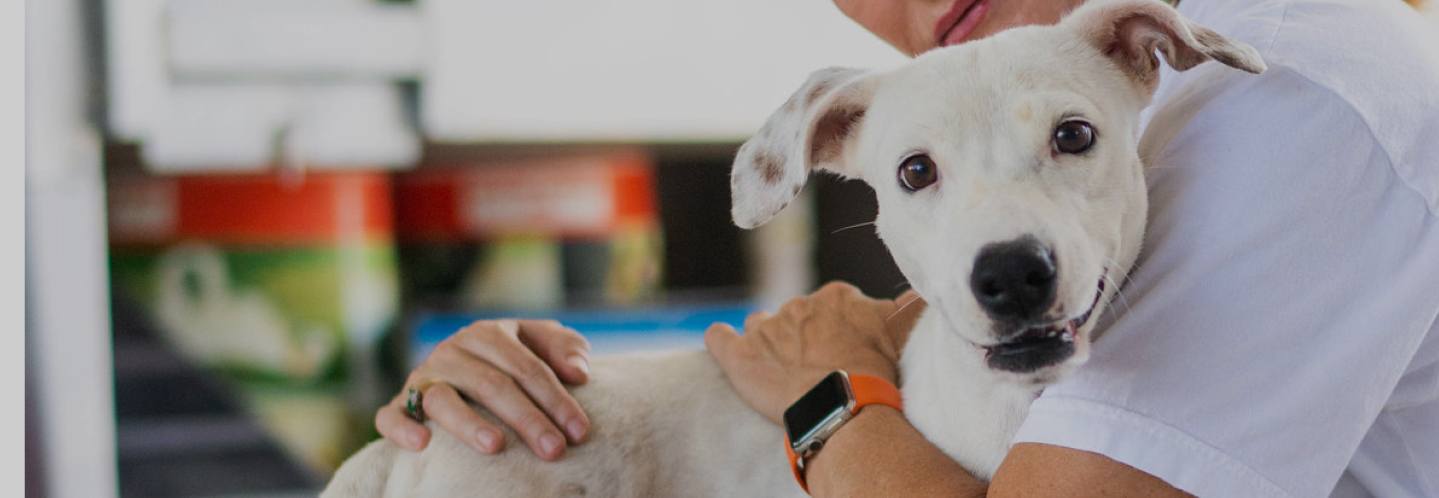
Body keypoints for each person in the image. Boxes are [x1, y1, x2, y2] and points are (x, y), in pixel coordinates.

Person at [375, 0, 1439, 495]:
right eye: (918, 175)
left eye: (1068, 141)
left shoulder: (1281, 86)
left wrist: (829, 398)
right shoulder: (1120, 111)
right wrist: (481, 404)